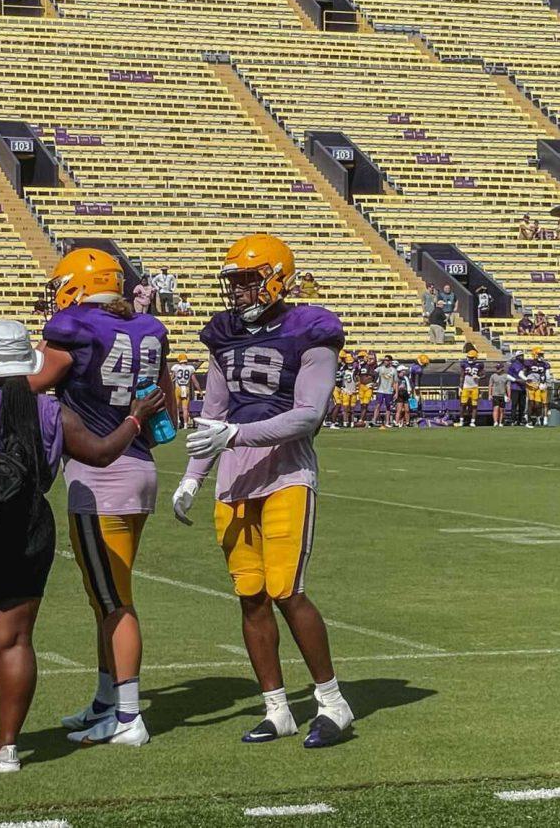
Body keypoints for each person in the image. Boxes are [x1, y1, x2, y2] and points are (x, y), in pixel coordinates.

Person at [0, 320, 167, 780]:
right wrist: (135, 418)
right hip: (30, 530)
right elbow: (99, 454)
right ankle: (7, 747)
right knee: (15, 642)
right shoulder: (53, 412)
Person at [171, 234, 355, 749]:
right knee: (249, 595)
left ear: (277, 277)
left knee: (286, 590)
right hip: (234, 478)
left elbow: (309, 415)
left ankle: (333, 704)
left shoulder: (310, 332)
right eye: (235, 281)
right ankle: (277, 709)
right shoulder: (224, 335)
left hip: (285, 473)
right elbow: (212, 414)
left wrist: (238, 435)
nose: (240, 291)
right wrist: (192, 475)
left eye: (249, 279)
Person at [30, 248, 174, 747]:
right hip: (138, 464)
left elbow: (38, 381)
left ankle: (130, 715)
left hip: (100, 475)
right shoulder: (148, 329)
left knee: (115, 601)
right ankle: (106, 699)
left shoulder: (75, 329)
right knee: (105, 598)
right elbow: (167, 402)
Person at [170, 353, 200, 430]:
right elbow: (195, 381)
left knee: (176, 407)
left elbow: (171, 378)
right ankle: (186, 425)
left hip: (178, 388)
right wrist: (200, 390)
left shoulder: (176, 367)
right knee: (185, 408)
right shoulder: (190, 368)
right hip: (186, 389)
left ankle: (178, 422)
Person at [524, 347, 550, 428]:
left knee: (538, 404)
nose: (541, 356)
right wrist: (526, 380)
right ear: (535, 354)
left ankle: (537, 420)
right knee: (531, 403)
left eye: (542, 354)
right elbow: (523, 372)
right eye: (540, 354)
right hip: (530, 386)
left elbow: (545, 375)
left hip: (538, 385)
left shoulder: (544, 364)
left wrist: (543, 382)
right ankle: (528, 421)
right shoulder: (529, 362)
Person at [457, 350, 483, 428]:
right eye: (469, 357)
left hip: (475, 387)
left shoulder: (479, 365)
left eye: (471, 357)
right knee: (462, 404)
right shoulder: (464, 364)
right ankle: (461, 421)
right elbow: (462, 376)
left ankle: (473, 421)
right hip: (466, 387)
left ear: (475, 358)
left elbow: (484, 375)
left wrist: (478, 377)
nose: (470, 359)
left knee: (474, 405)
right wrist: (460, 387)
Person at [373, 355, 397, 428]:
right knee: (378, 405)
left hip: (389, 391)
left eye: (386, 360)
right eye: (384, 360)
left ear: (390, 361)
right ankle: (374, 420)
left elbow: (395, 382)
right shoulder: (380, 368)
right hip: (380, 390)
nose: (385, 361)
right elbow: (373, 372)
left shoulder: (393, 370)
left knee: (388, 407)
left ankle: (387, 422)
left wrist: (396, 392)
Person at [506, 351, 528, 427]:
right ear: (517, 357)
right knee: (514, 405)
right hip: (515, 387)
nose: (522, 357)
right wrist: (517, 380)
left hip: (522, 388)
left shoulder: (522, 364)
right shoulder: (515, 364)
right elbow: (509, 376)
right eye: (520, 356)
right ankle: (513, 420)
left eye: (522, 355)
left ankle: (520, 420)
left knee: (522, 405)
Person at [488, 361, 509, 427]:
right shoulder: (493, 376)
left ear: (502, 368)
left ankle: (501, 422)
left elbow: (508, 387)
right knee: (496, 408)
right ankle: (495, 422)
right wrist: (490, 394)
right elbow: (490, 385)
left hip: (503, 395)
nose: (497, 369)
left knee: (502, 409)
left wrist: (509, 396)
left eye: (499, 368)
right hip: (495, 394)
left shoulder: (506, 376)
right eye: (497, 368)